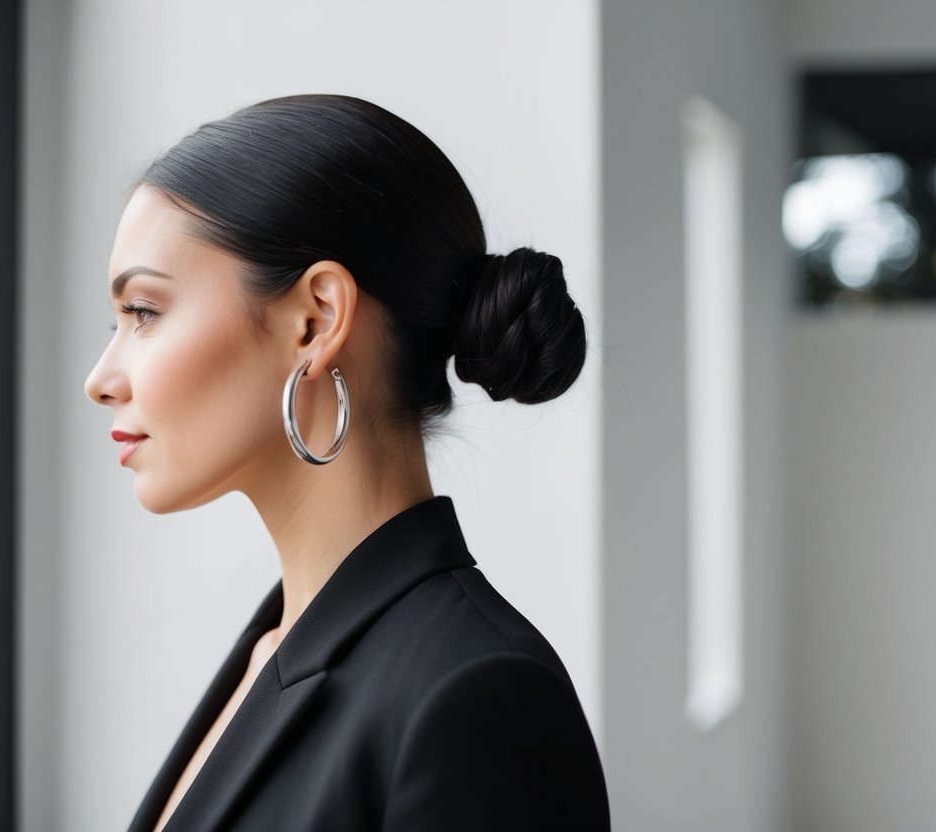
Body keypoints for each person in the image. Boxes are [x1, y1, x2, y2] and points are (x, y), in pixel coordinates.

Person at [83, 94, 610, 831]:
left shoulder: (479, 699)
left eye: (143, 312)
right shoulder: (275, 646)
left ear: (315, 320)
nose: (100, 378)